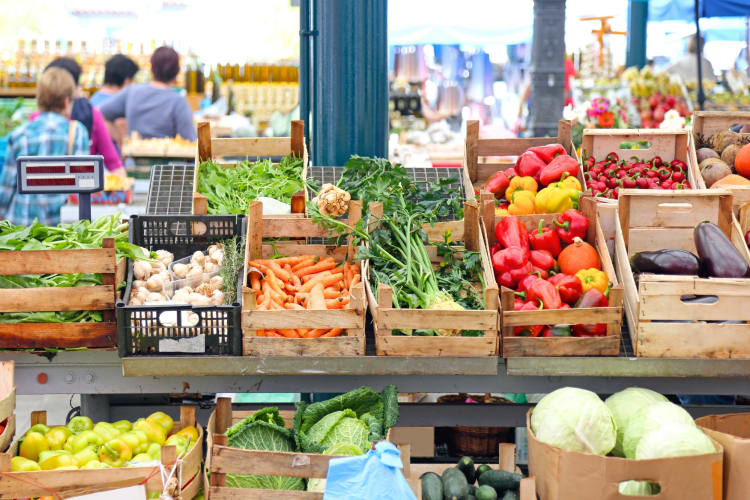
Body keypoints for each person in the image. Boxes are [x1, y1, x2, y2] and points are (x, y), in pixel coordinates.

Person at [0, 68, 89, 225]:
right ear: (67, 101)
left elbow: (6, 189)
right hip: (59, 231)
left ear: (38, 99)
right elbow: (84, 184)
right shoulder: (77, 132)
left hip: (20, 228)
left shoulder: (20, 135)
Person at [32, 58, 126, 176]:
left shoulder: (31, 124)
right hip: (73, 192)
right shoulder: (82, 128)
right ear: (72, 90)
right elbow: (112, 164)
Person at [100, 46, 197, 141]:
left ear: (152, 68)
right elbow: (189, 140)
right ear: (177, 71)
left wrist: (120, 140)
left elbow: (99, 114)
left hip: (134, 155)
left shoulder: (132, 92)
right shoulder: (178, 102)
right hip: (167, 156)